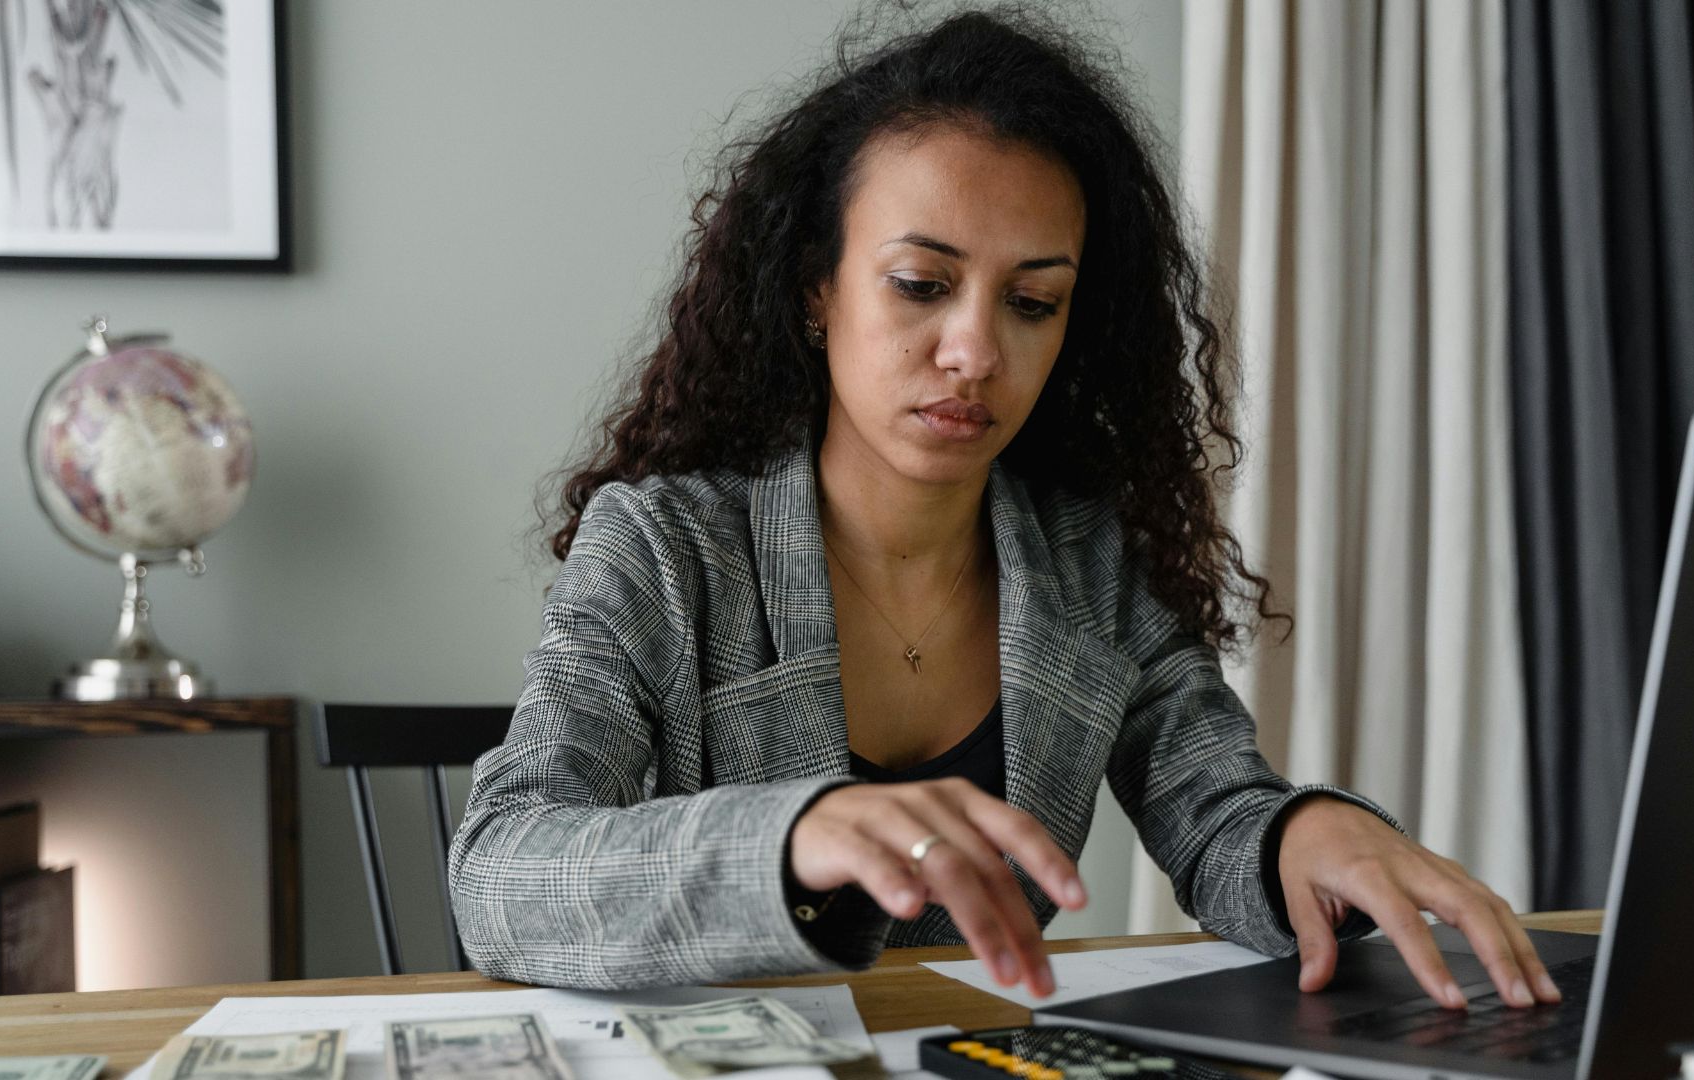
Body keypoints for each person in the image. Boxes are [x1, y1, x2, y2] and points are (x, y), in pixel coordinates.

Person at [446, 5, 1557, 1013]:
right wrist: (790, 839)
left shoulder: (1083, 562)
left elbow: (1217, 812)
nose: (976, 350)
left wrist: (1307, 831)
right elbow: (501, 868)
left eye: (1033, 302)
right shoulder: (666, 547)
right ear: (816, 291)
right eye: (923, 285)